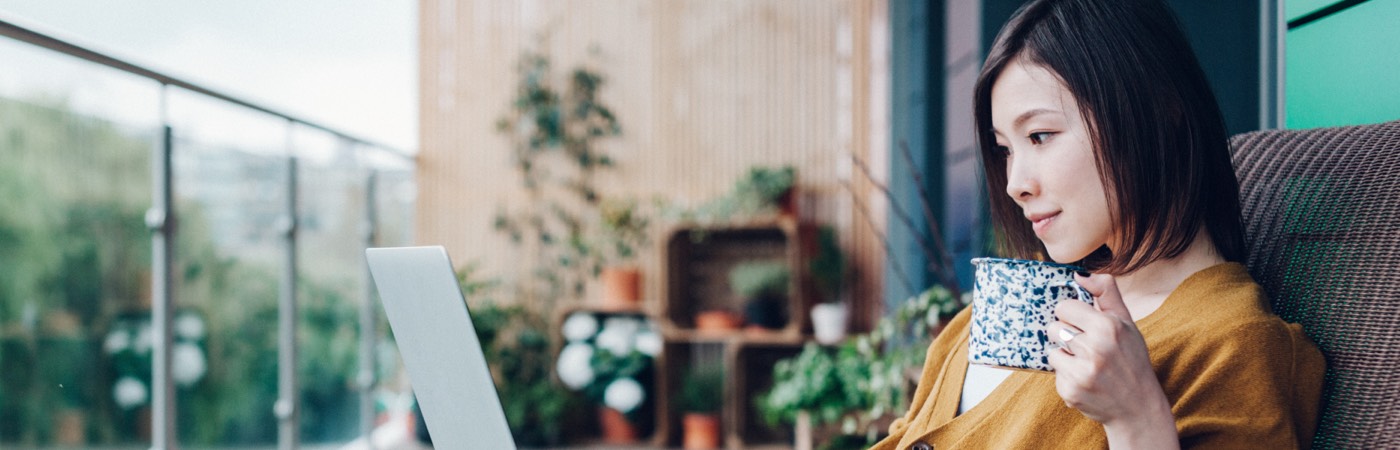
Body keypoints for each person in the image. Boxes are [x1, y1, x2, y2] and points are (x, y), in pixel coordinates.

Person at [870, 0, 1326, 448]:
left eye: (1040, 136)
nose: (1014, 184)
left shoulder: (1232, 344)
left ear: (1155, 110)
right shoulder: (1021, 298)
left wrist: (1136, 421)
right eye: (1005, 149)